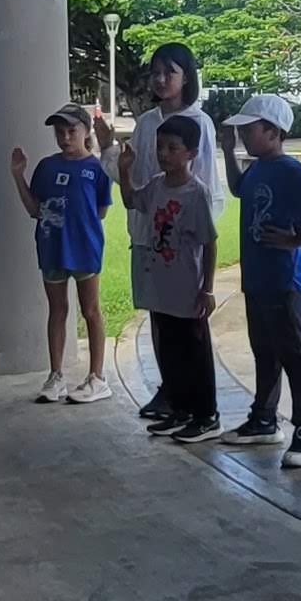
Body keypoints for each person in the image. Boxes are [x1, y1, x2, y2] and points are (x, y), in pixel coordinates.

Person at [110, 44, 219, 417]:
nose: (160, 79)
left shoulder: (199, 123)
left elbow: (206, 183)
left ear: (185, 77)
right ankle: (170, 388)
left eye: (168, 72)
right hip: (148, 233)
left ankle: (197, 404)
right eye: (155, 72)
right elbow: (136, 178)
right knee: (160, 317)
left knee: (188, 324)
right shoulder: (145, 123)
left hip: (184, 239)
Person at [225, 94, 301, 469]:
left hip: (285, 279)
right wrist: (230, 153)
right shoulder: (258, 168)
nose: (245, 135)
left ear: (273, 132)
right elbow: (238, 190)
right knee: (264, 350)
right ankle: (264, 416)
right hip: (257, 276)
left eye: (250, 129)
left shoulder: (291, 171)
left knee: (294, 355)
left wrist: (300, 238)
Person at [9, 106, 113, 402]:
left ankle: (97, 376)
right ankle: (56, 376)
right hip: (51, 247)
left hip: (84, 249)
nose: (65, 137)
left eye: (71, 131)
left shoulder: (96, 169)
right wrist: (18, 176)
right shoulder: (46, 167)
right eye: (59, 132)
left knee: (90, 309)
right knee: (57, 309)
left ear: (85, 131)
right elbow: (34, 209)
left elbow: (101, 211)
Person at [130, 116, 221, 439]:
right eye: (160, 147)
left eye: (172, 148)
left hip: (186, 288)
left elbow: (209, 242)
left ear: (191, 153)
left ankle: (206, 414)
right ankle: (180, 409)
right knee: (169, 350)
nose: (164, 154)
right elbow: (132, 200)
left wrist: (206, 289)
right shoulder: (156, 185)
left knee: (194, 351)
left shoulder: (195, 193)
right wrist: (124, 170)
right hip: (161, 286)